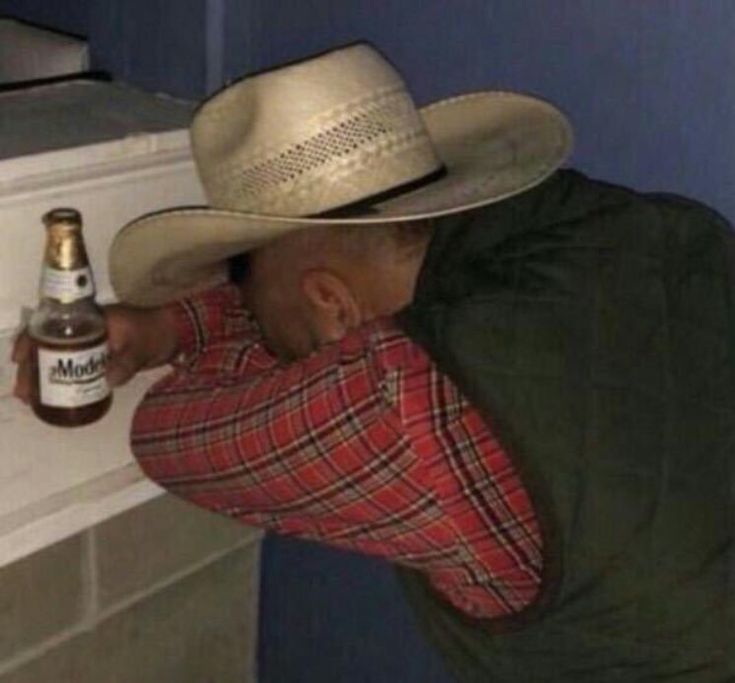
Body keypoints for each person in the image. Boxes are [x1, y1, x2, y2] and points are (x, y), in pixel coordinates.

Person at [13, 43, 735, 682]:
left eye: (247, 292)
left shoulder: (410, 408)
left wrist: (180, 330)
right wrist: (180, 323)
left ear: (330, 307)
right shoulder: (621, 227)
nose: (245, 314)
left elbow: (167, 436)